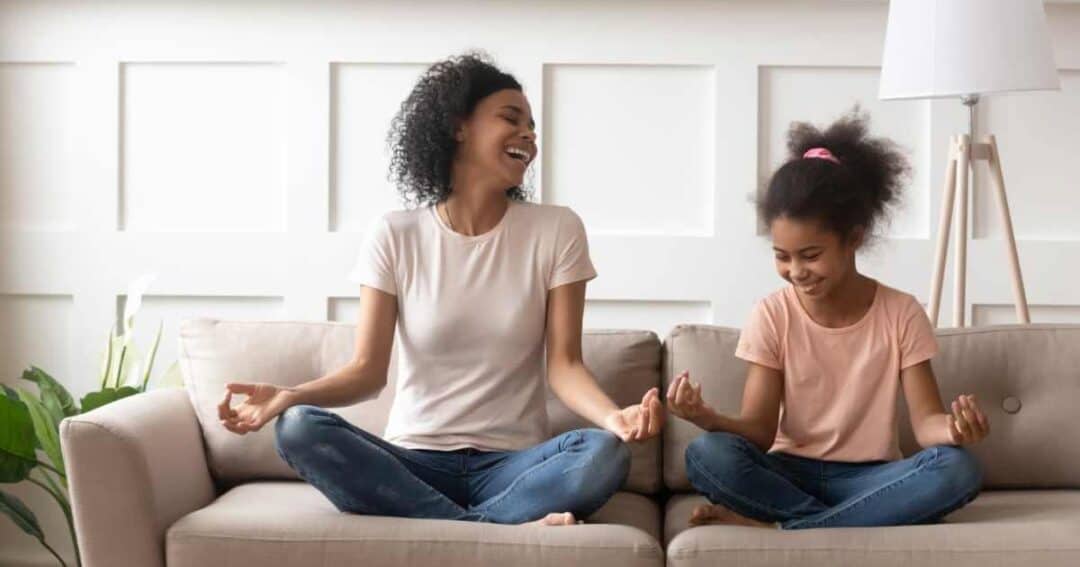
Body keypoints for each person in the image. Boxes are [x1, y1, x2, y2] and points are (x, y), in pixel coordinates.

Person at [218, 52, 663, 526]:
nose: (529, 135)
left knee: (603, 453)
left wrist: (614, 418)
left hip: (512, 464)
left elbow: (565, 366)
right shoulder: (395, 234)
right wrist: (291, 395)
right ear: (458, 127)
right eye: (511, 118)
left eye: (533, 126)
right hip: (414, 460)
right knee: (300, 427)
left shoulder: (556, 230)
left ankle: (452, 527)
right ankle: (493, 527)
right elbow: (367, 372)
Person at [667, 110, 987, 530]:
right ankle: (842, 523)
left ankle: (787, 525)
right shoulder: (772, 314)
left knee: (958, 468)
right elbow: (759, 432)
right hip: (788, 473)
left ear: (853, 239)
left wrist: (953, 430)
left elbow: (927, 423)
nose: (796, 271)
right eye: (782, 257)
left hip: (873, 478)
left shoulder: (902, 312)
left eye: (811, 255)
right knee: (706, 454)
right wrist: (707, 418)